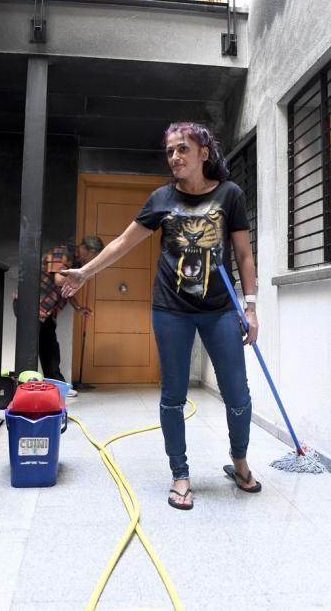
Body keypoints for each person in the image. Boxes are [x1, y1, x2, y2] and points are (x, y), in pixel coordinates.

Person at [60, 122, 260, 508]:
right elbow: (122, 242)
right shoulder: (161, 198)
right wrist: (86, 272)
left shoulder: (230, 195)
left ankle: (239, 462)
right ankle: (180, 474)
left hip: (220, 308)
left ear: (204, 152)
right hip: (172, 308)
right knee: (172, 396)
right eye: (170, 151)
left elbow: (244, 254)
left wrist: (250, 306)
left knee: (238, 394)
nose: (175, 157)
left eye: (182, 149)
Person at [37, 235, 104, 396]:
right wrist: (83, 275)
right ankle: (29, 387)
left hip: (46, 310)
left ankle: (57, 387)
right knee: (36, 348)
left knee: (50, 348)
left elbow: (65, 291)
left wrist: (78, 308)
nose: (93, 261)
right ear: (89, 250)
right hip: (34, 305)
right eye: (95, 257)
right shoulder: (63, 252)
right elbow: (59, 280)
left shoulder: (76, 263)